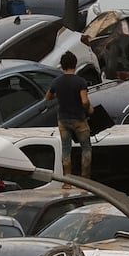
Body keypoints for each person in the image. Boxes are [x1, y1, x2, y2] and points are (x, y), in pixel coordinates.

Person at [45, 51, 93, 181]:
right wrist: (88, 109)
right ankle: (85, 179)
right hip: (78, 119)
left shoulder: (57, 82)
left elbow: (48, 97)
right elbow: (84, 101)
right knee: (86, 148)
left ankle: (67, 180)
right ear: (75, 64)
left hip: (63, 120)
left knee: (66, 149)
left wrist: (59, 94)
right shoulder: (80, 82)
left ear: (62, 65)